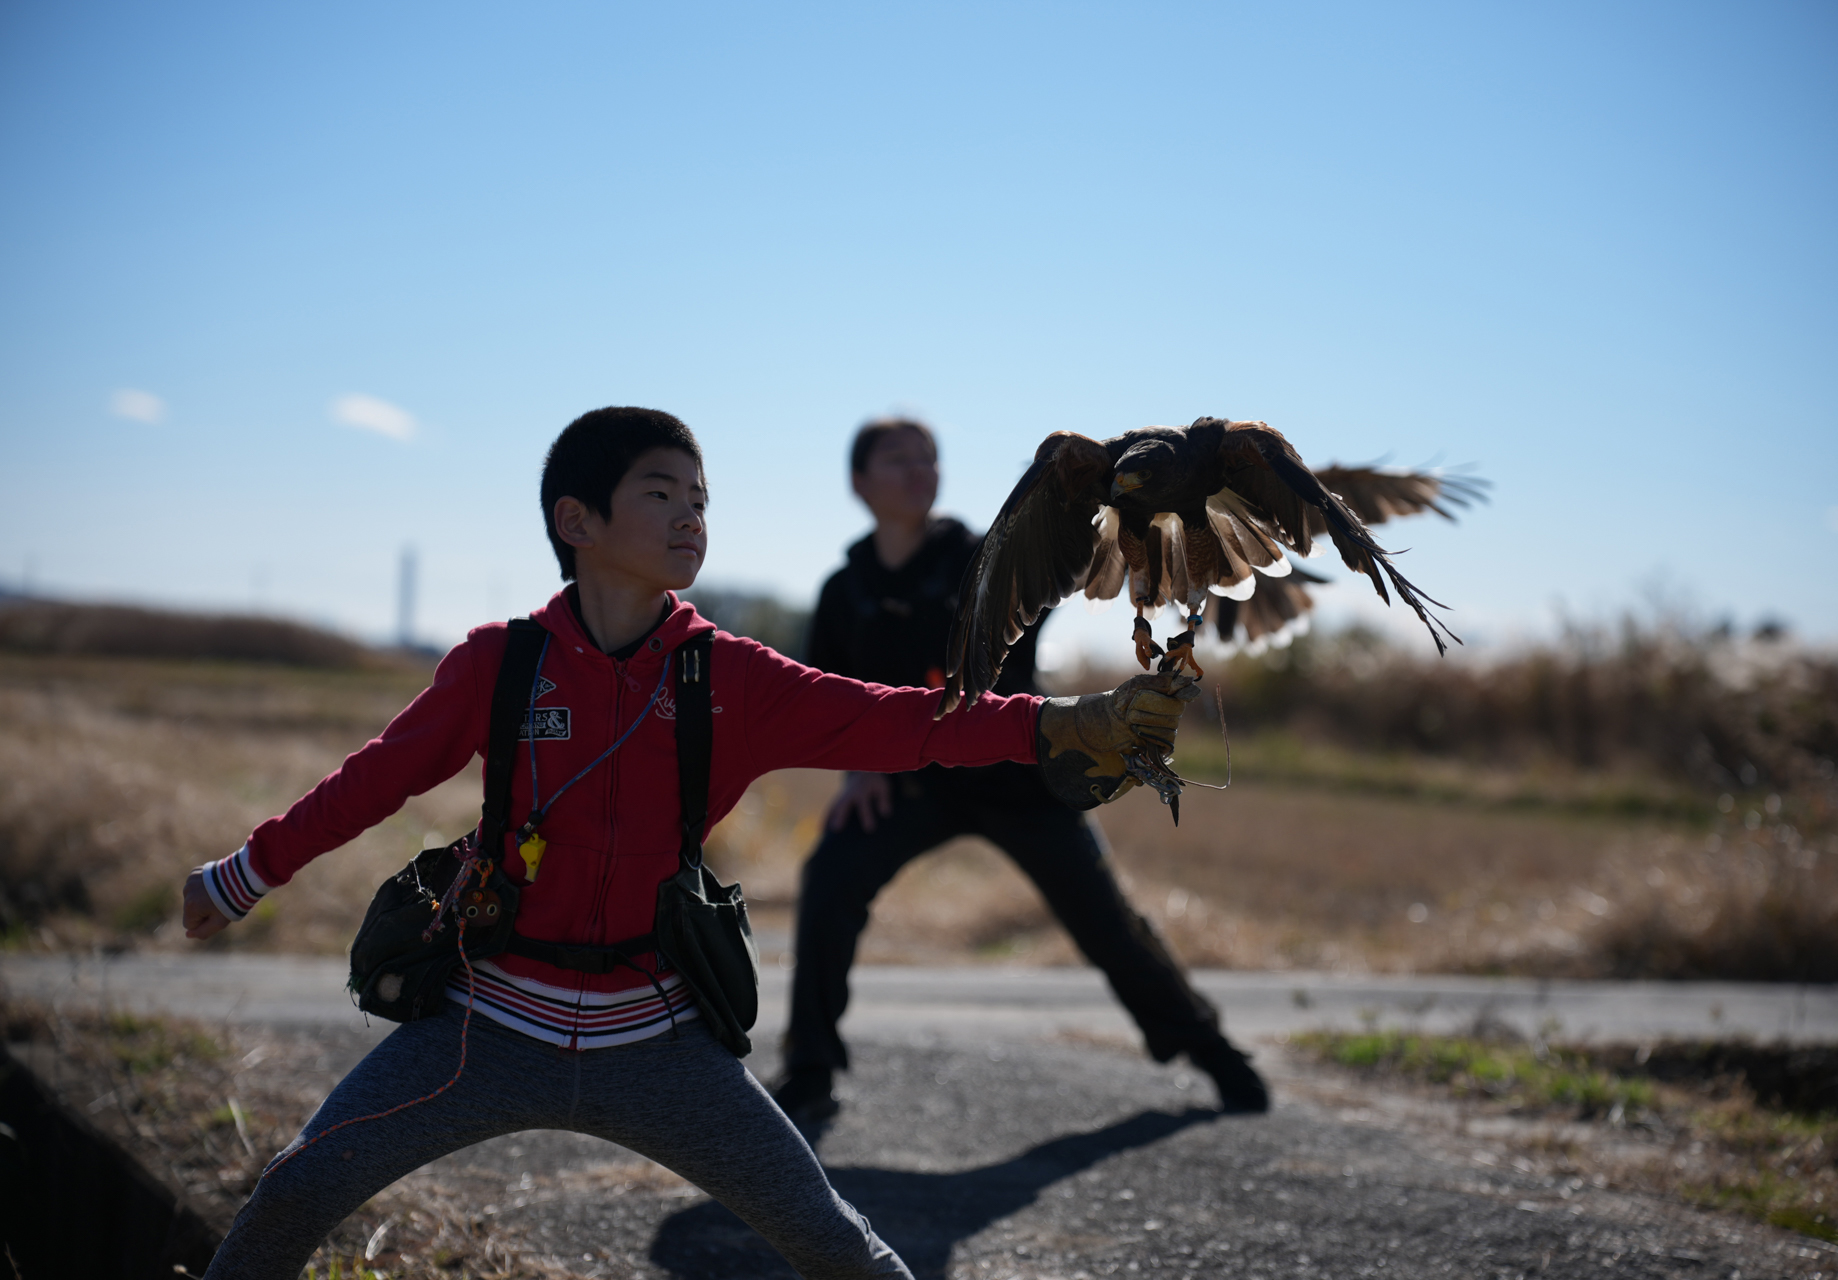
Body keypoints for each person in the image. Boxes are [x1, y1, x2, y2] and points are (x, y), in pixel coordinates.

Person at [179, 407, 1196, 1280]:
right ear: (575, 521)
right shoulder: (499, 662)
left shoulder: (731, 677)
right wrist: (243, 873)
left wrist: (1069, 720)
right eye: (661, 491)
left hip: (659, 1041)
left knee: (839, 1245)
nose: (691, 512)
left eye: (701, 496)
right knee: (294, 1189)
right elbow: (374, 779)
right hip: (480, 1024)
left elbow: (902, 718)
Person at [770, 418, 1269, 1126]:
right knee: (829, 877)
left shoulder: (992, 552)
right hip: (914, 783)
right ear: (859, 483)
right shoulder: (843, 590)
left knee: (1108, 924)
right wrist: (861, 770)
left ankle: (1209, 1052)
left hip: (1019, 775)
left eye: (930, 458)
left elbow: (1011, 646)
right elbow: (829, 697)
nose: (920, 470)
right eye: (898, 459)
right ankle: (811, 1069)